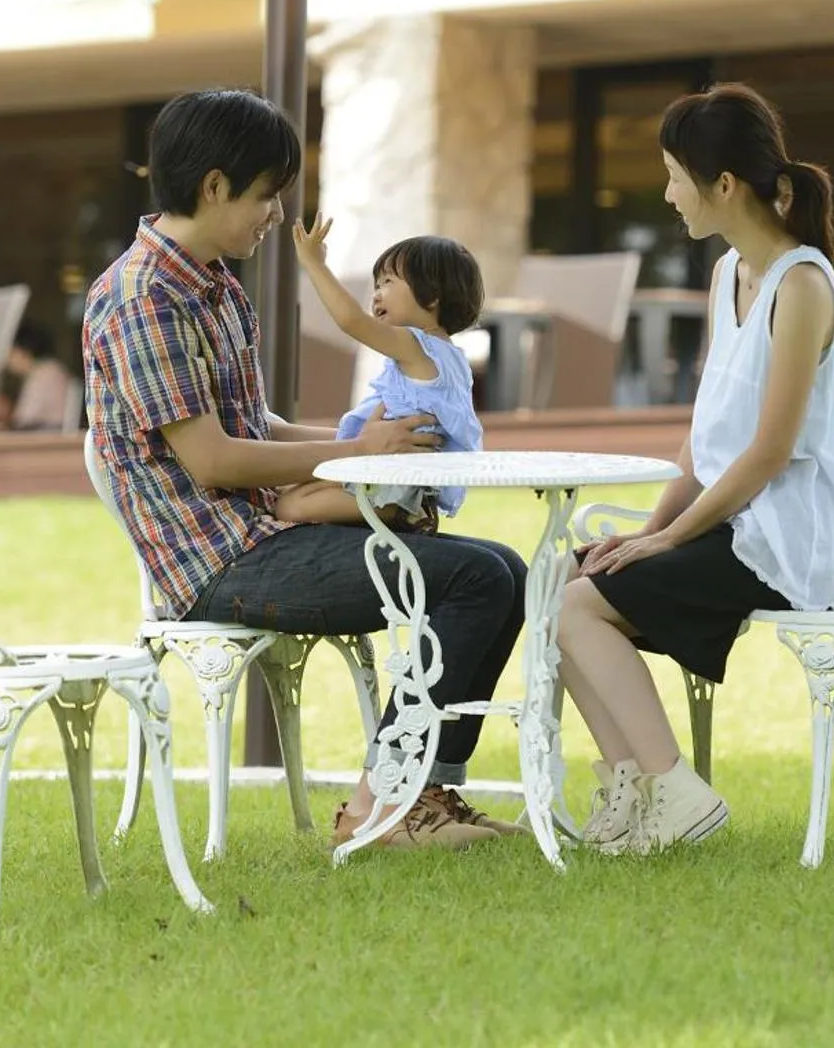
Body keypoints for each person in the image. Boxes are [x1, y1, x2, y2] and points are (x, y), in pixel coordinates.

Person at [83, 88, 528, 851]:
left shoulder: (215, 286)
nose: (276, 215)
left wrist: (374, 438)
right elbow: (215, 459)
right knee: (476, 579)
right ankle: (386, 809)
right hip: (219, 561)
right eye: (267, 195)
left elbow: (255, 428)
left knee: (504, 568)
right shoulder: (144, 299)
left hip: (261, 531)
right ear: (215, 185)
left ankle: (421, 792)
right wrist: (358, 453)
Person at [559, 83, 834, 855]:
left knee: (578, 608)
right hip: (731, 523)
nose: (666, 194)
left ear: (723, 185)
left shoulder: (800, 285)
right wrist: (649, 529)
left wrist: (665, 544)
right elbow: (706, 442)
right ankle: (633, 790)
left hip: (789, 539)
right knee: (558, 588)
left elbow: (768, 451)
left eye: (673, 174)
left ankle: (675, 794)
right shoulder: (729, 274)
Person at [277, 221, 486, 533]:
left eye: (387, 282)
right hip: (395, 474)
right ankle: (400, 511)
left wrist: (313, 264)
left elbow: (351, 321)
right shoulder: (448, 356)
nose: (376, 295)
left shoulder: (417, 345)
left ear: (431, 297)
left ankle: (398, 513)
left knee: (288, 505)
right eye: (377, 284)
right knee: (289, 493)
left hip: (394, 482)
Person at [2, 321, 74, 432]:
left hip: (49, 436)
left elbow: (24, 417)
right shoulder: (49, 369)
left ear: (23, 351)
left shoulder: (44, 372)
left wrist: (5, 413)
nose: (7, 360)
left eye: (10, 353)